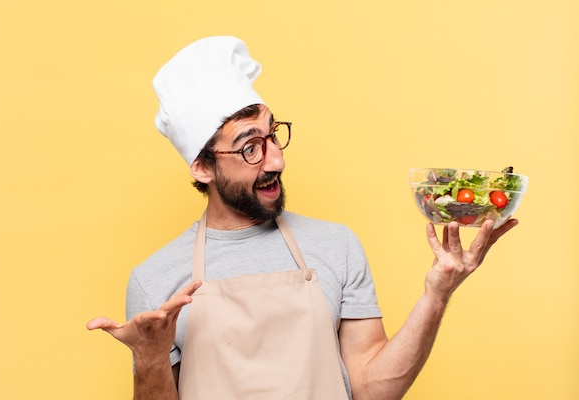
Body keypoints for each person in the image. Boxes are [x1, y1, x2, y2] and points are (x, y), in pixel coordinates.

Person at [87, 36, 518, 400]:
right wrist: (149, 358)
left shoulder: (335, 245)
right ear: (202, 167)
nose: (276, 160)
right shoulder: (155, 280)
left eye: (273, 135)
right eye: (250, 146)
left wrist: (437, 293)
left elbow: (371, 386)